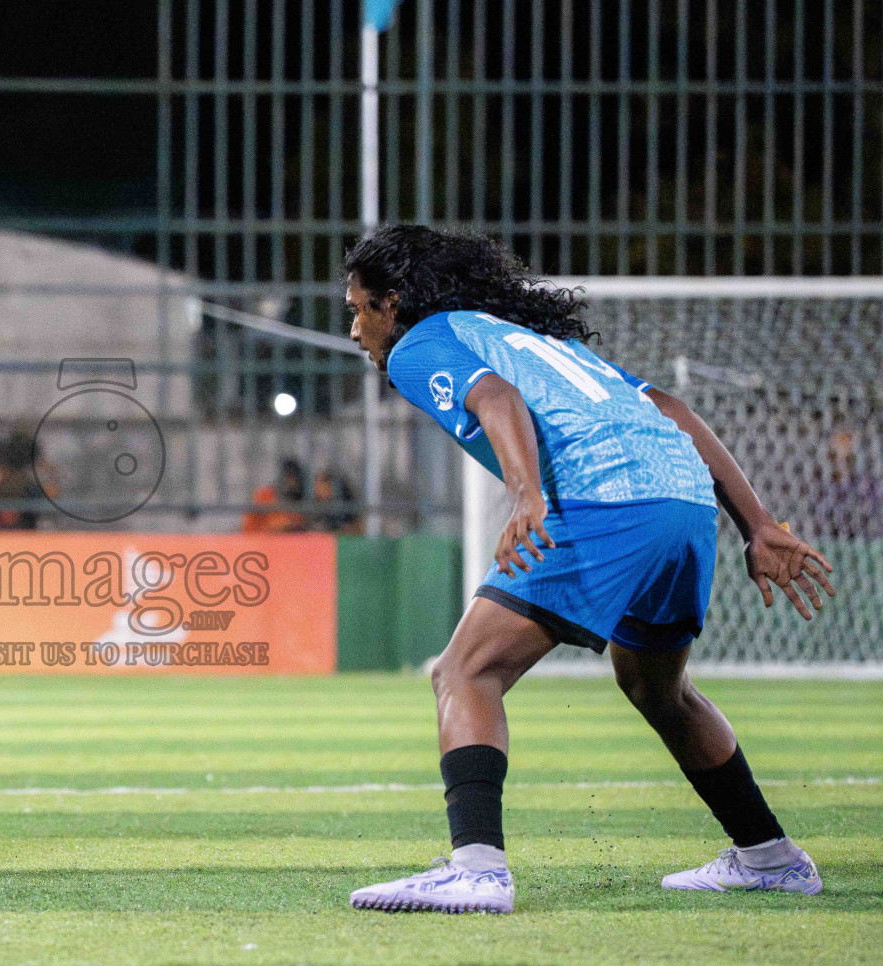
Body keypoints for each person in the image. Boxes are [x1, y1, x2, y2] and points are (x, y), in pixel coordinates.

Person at [340, 226, 834, 914]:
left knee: (465, 671)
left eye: (357, 309)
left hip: (605, 497)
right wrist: (757, 524)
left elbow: (496, 400)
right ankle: (771, 858)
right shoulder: (534, 338)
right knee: (658, 689)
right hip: (686, 500)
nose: (355, 329)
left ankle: (476, 870)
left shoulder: (419, 344)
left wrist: (525, 494)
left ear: (392, 302)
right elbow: (670, 409)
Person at [240, 457, 306, 533]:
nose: (291, 483)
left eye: (294, 479)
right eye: (288, 478)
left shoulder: (298, 501)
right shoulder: (265, 496)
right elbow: (248, 528)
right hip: (262, 538)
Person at [308, 467, 362, 534]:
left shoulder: (348, 506)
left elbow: (358, 529)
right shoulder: (312, 507)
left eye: (324, 487)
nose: (316, 490)